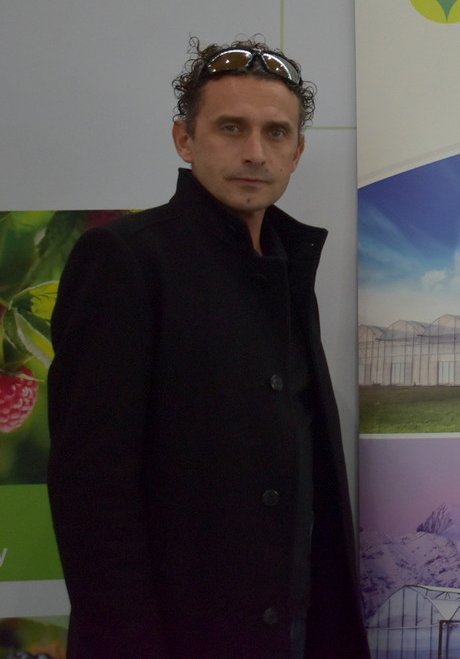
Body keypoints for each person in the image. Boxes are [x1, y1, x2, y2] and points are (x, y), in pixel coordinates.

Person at [47, 39, 370, 659]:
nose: (255, 152)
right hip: (178, 635)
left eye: (276, 133)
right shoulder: (125, 258)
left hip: (292, 624)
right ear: (184, 140)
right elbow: (92, 490)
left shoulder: (286, 259)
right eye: (231, 127)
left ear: (297, 152)